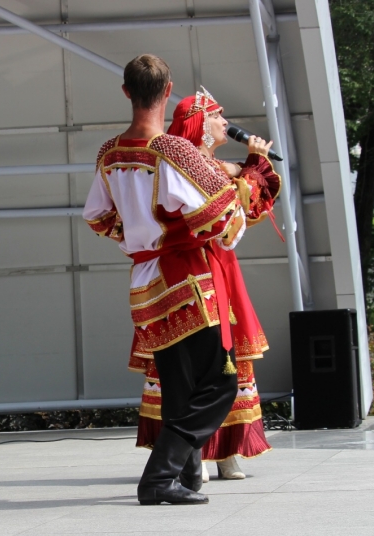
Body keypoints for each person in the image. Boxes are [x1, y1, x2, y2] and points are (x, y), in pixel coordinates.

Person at [83, 55, 252, 506]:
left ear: (126, 92)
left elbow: (97, 217)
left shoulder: (109, 153)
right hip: (187, 277)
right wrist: (190, 228)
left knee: (180, 385)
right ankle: (159, 477)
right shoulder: (173, 150)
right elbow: (222, 219)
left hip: (144, 279)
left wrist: (137, 236)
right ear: (168, 90)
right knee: (219, 383)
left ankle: (186, 475)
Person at [131, 87, 281, 481]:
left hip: (213, 265)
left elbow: (239, 192)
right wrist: (254, 164)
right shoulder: (192, 166)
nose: (224, 123)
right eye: (217, 116)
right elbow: (241, 207)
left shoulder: (203, 163)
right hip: (201, 266)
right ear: (199, 123)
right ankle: (192, 455)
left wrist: (246, 166)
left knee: (215, 361)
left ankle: (210, 452)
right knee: (213, 364)